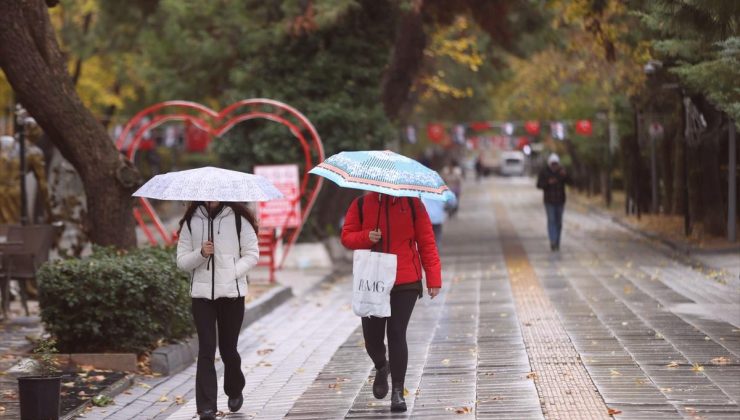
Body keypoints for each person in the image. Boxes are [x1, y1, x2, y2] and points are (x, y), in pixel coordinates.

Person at [341, 193, 442, 412]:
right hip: (373, 279)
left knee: (397, 332)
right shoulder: (360, 203)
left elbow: (426, 242)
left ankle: (398, 391)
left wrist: (433, 277)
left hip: (405, 279)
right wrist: (367, 237)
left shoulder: (413, 205)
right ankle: (381, 365)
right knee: (372, 339)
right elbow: (347, 237)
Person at [176, 201, 259, 420]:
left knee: (228, 349)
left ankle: (234, 388)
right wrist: (201, 253)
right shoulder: (192, 221)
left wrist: (232, 272)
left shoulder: (239, 218)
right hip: (202, 296)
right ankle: (206, 407)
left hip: (232, 294)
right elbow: (181, 261)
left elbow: (252, 253)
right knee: (206, 349)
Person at [536, 153, 572, 251]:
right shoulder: (544, 172)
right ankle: (553, 241)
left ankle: (557, 242)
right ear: (549, 164)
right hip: (549, 201)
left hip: (560, 200)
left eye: (556, 164)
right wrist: (548, 183)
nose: (554, 166)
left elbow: (571, 182)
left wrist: (566, 175)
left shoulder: (562, 172)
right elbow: (539, 185)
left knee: (559, 222)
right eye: (552, 164)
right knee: (551, 220)